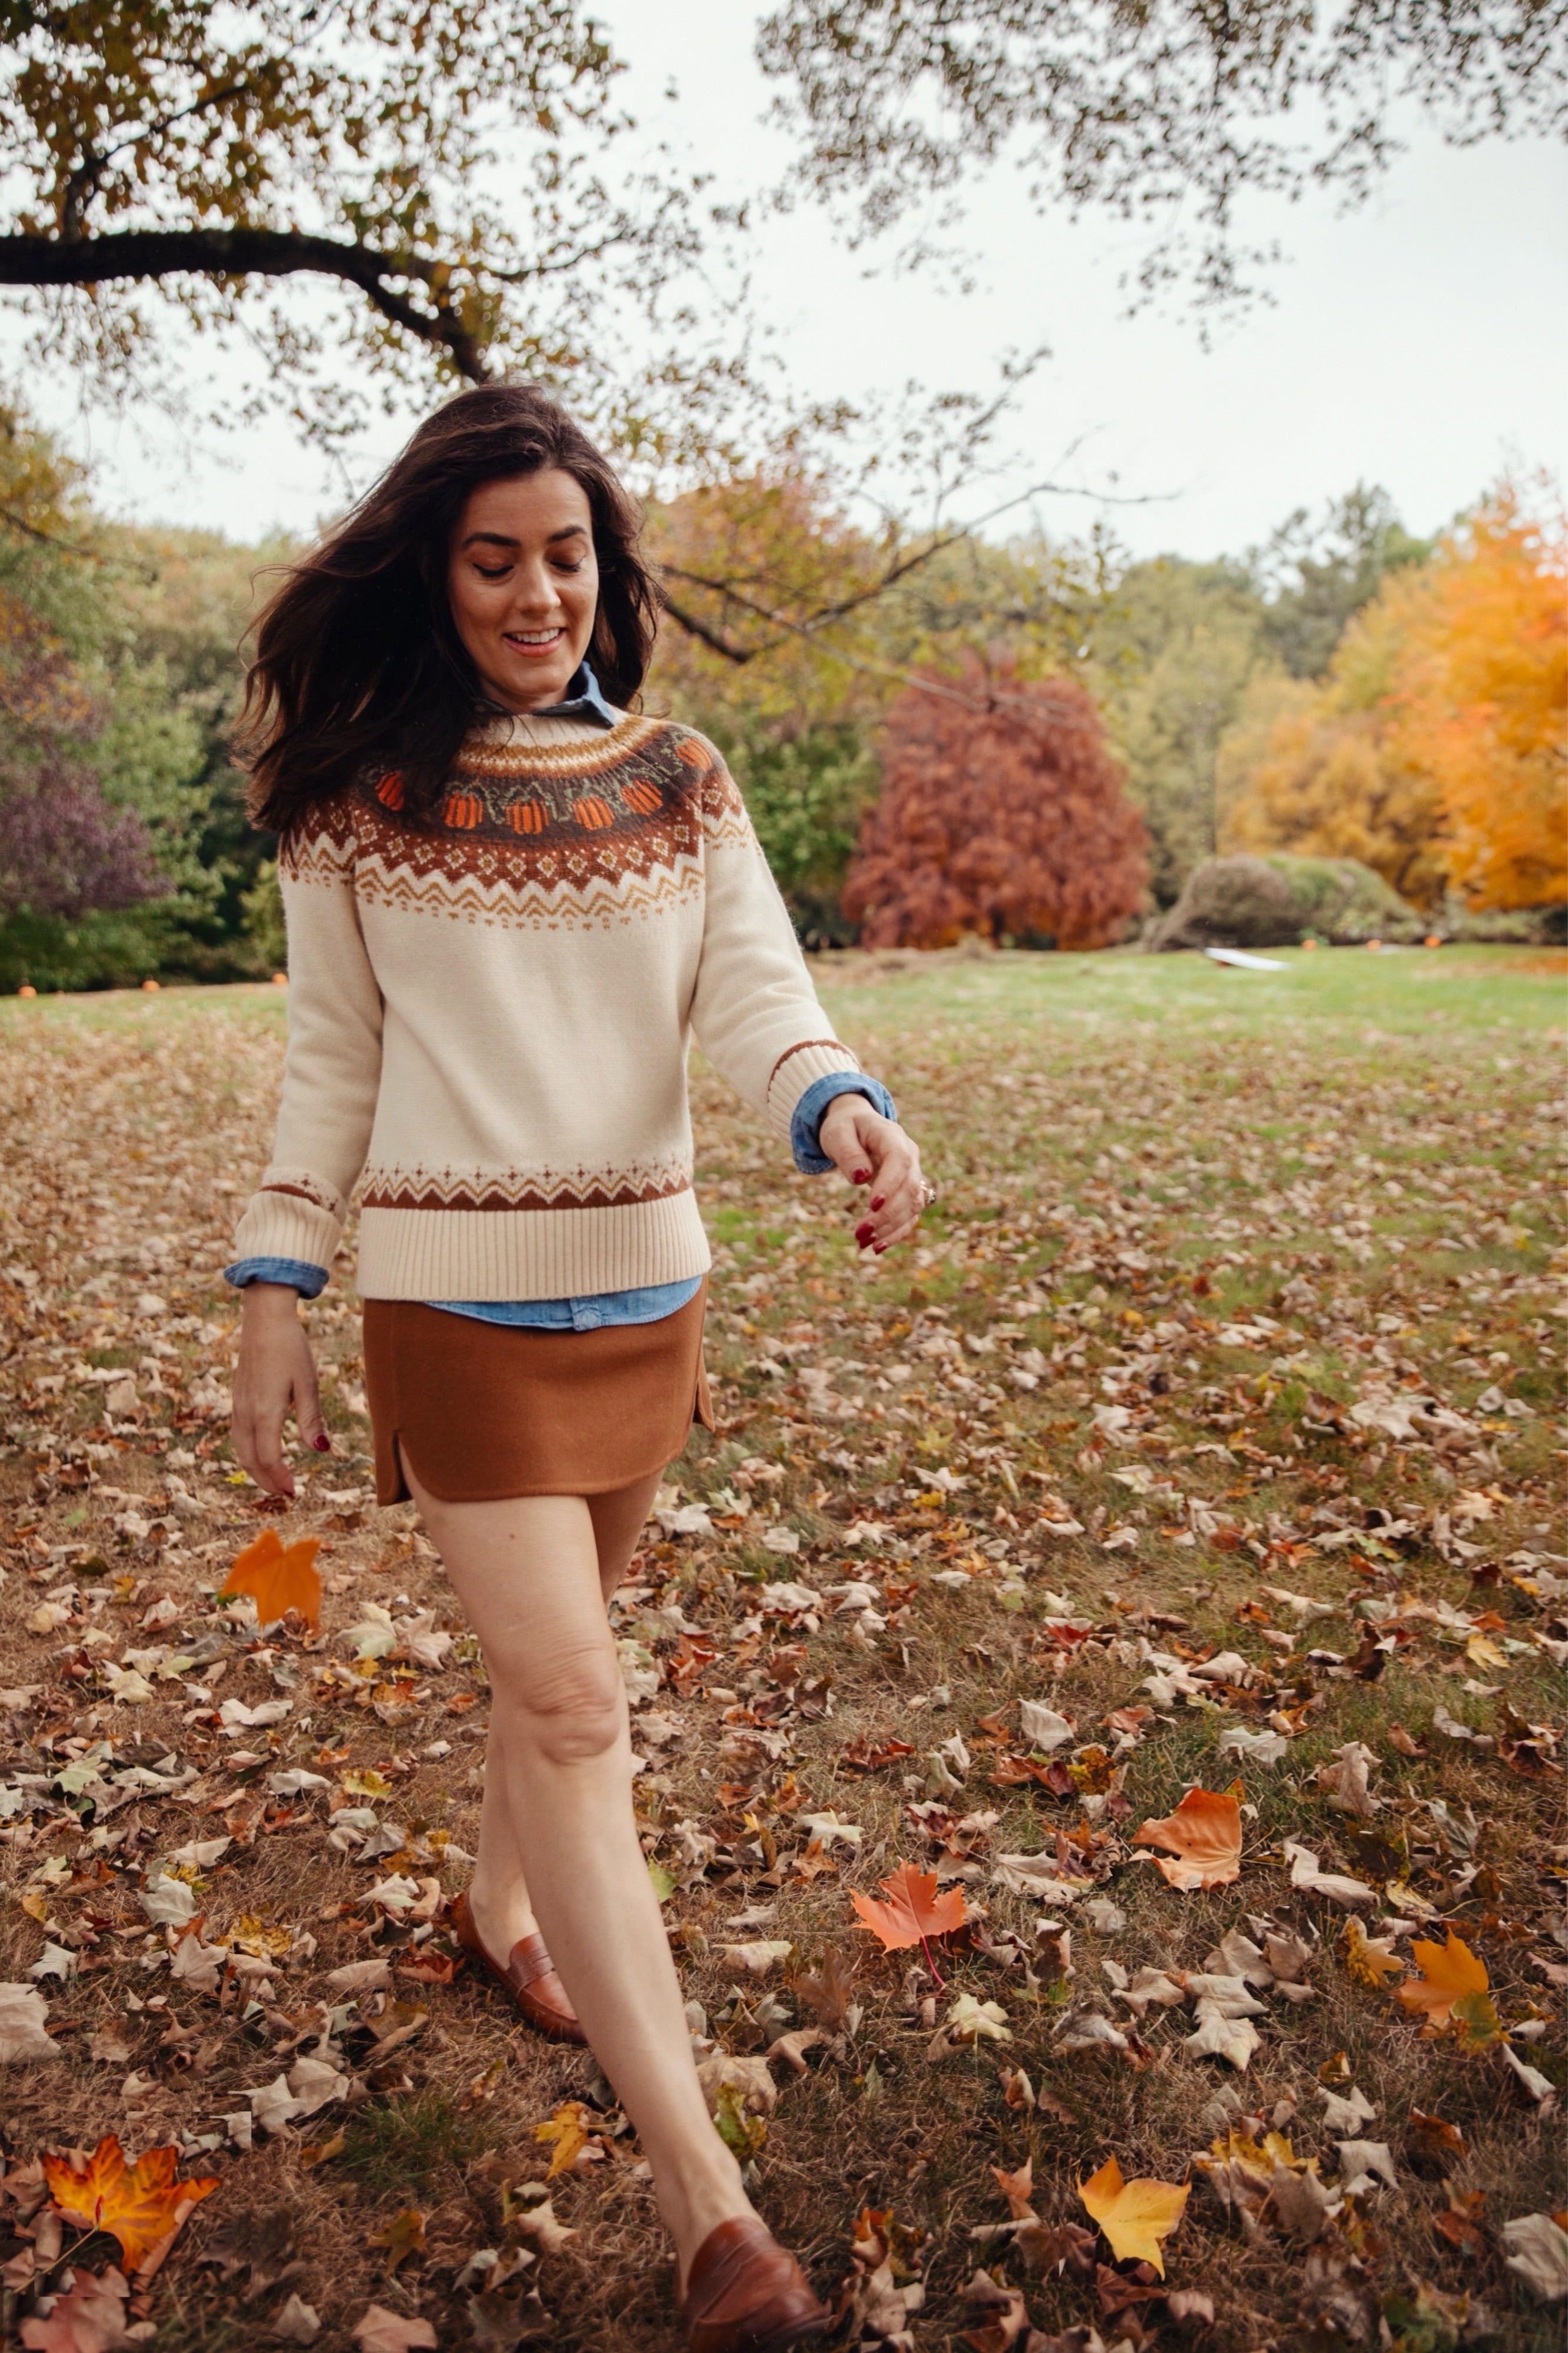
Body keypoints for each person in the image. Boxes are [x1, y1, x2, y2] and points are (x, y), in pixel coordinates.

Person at [225, 383, 929, 2353]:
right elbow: (332, 1063)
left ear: (603, 569)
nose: (538, 594)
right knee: (570, 1698)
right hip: (453, 1311)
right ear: (433, 574)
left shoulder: (677, 776)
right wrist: (276, 1284)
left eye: (565, 556)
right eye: (494, 560)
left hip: (643, 1294)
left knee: (556, 1694)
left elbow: (754, 994)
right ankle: (710, 2212)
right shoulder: (357, 806)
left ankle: (496, 1908)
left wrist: (838, 1108)